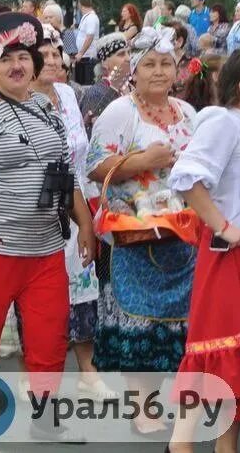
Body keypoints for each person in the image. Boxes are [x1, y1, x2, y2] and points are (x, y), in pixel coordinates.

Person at [0, 13, 95, 443]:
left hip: (46, 251)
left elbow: (63, 174)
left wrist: (83, 224)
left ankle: (46, 421)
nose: (17, 65)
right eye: (6, 58)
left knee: (49, 342)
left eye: (23, 57)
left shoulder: (46, 108)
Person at [86, 26, 198, 437]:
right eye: (149, 64)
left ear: (177, 69)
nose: (158, 71)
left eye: (166, 63)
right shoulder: (121, 112)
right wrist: (142, 160)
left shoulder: (187, 113)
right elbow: (95, 169)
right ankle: (141, 405)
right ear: (134, 70)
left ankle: (174, 399)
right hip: (134, 235)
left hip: (181, 235)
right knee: (138, 319)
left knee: (178, 321)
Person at [167, 51, 240, 453]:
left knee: (234, 359)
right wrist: (223, 226)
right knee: (216, 351)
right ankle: (180, 446)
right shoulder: (226, 121)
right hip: (227, 257)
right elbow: (186, 176)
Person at [31, 24, 110, 399]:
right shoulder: (21, 98)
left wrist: (85, 218)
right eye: (41, 55)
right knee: (38, 298)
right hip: (36, 208)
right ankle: (36, 378)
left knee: (83, 287)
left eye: (54, 54)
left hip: (76, 199)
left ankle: (87, 369)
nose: (50, 61)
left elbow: (77, 156)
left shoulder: (66, 93)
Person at [79, 33, 130, 136]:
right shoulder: (96, 93)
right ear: (105, 63)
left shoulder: (130, 87)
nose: (128, 58)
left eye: (129, 53)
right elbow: (90, 135)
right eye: (121, 54)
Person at [74, 0, 100, 85]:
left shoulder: (91, 18)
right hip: (84, 57)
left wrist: (81, 53)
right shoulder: (86, 17)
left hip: (88, 57)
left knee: (87, 83)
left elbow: (90, 36)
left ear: (80, 4)